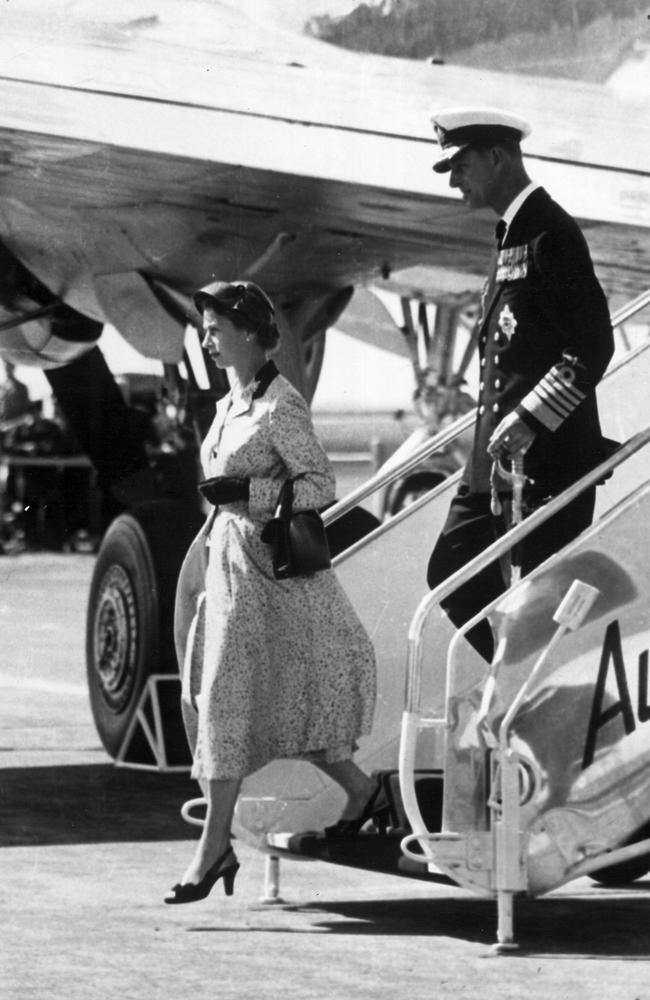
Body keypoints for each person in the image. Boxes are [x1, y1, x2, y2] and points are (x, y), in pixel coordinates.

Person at [167, 280, 382, 905]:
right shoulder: (230, 401)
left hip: (267, 576)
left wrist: (249, 497)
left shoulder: (280, 404)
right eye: (204, 328)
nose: (206, 339)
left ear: (251, 332)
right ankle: (364, 794)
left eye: (215, 328)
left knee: (228, 703)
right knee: (262, 703)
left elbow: (320, 483)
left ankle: (212, 850)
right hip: (228, 569)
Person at [426, 108, 615, 662]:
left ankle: (530, 694)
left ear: (496, 157)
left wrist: (531, 417)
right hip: (497, 468)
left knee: (536, 603)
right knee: (452, 571)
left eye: (459, 165)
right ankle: (513, 679)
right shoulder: (513, 234)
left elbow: (592, 345)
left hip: (545, 466)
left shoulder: (550, 233)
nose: (454, 179)